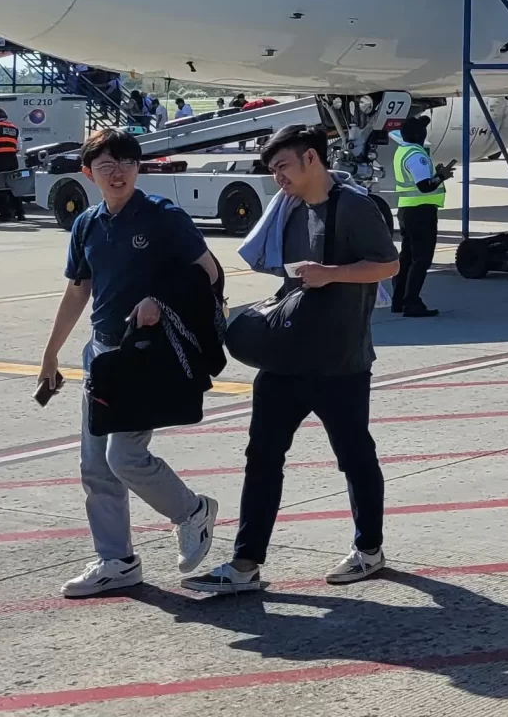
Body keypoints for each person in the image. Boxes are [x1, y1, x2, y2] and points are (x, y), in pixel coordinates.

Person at [185, 124, 400, 595]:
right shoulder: (289, 208)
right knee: (261, 457)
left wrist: (333, 273)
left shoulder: (354, 207)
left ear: (311, 159)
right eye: (272, 169)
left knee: (354, 456)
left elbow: (388, 266)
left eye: (282, 166)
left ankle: (369, 550)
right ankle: (245, 564)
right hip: (286, 357)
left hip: (341, 361)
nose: (276, 177)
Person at [36, 128, 222, 598]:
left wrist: (159, 298)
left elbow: (209, 271)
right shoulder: (87, 225)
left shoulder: (162, 217)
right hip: (102, 354)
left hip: (147, 352)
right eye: (105, 166)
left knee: (125, 457)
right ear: (88, 173)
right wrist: (51, 352)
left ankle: (192, 511)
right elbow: (78, 289)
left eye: (126, 163)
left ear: (139, 168)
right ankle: (116, 560)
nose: (117, 173)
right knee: (96, 465)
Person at [387, 115, 453, 317]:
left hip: (407, 210)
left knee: (406, 258)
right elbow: (424, 186)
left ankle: (398, 300)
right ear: (418, 134)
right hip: (421, 211)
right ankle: (412, 302)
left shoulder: (402, 151)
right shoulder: (417, 155)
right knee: (421, 259)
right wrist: (442, 175)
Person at [0, 107, 23, 221]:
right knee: (14, 187)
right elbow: (19, 147)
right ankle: (20, 213)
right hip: (12, 160)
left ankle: (4, 214)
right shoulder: (14, 128)